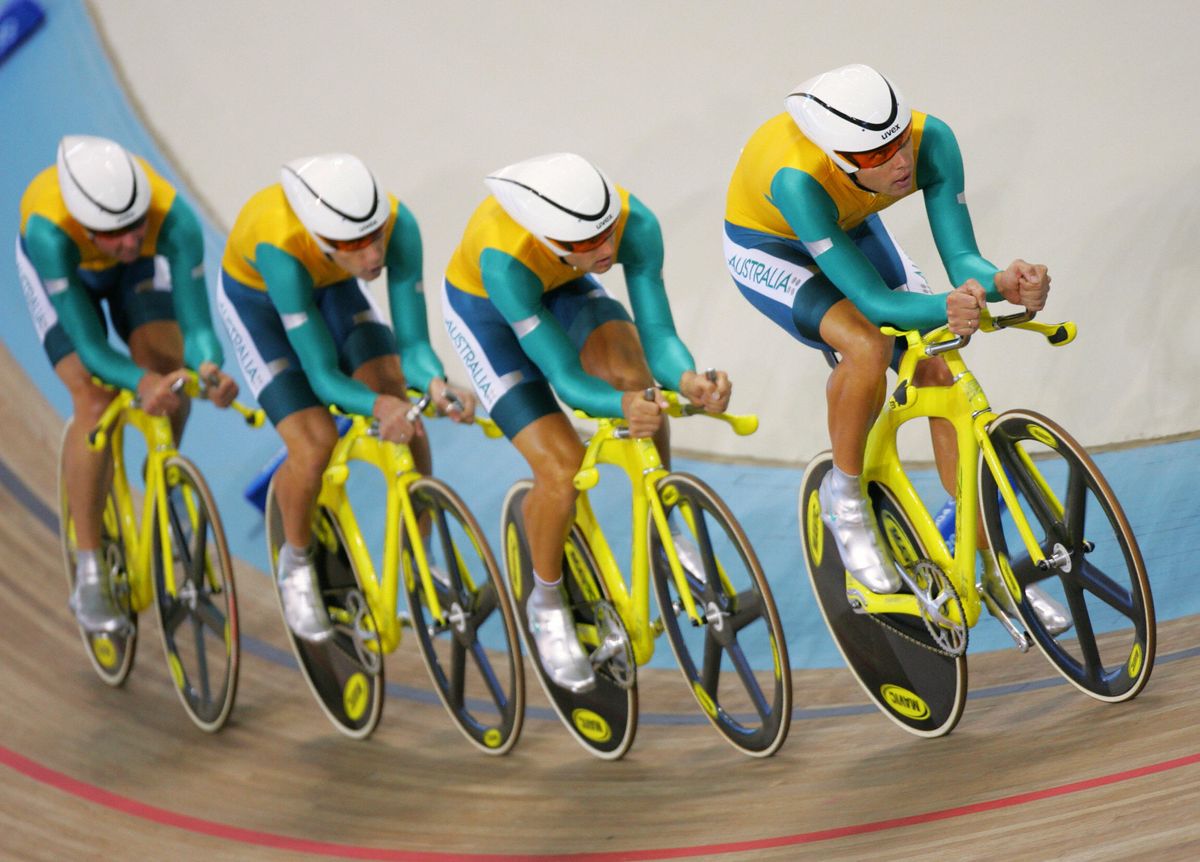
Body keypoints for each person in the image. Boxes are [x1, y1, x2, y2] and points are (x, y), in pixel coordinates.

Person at [724, 64, 1069, 634]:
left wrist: (1001, 280)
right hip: (772, 246)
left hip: (845, 224)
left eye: (898, 139)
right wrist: (948, 308)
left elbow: (964, 262)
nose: (899, 162)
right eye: (873, 157)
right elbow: (875, 303)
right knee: (865, 346)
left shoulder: (933, 140)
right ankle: (846, 498)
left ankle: (994, 569)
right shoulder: (798, 179)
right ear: (837, 157)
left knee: (935, 368)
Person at [442, 152, 731, 693]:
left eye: (606, 235)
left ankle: (663, 516)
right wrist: (619, 408)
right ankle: (545, 600)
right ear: (551, 239)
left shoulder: (632, 223)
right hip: (487, 314)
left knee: (635, 377)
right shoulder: (506, 259)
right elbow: (565, 379)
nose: (604, 251)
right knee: (560, 467)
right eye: (585, 244)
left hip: (563, 287)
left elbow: (658, 331)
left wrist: (687, 378)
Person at [217, 153, 475, 643]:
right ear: (321, 240)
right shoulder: (283, 247)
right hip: (262, 306)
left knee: (404, 401)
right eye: (355, 246)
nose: (373, 256)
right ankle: (295, 564)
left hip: (335, 288)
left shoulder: (398, 227)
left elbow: (415, 345)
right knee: (313, 443)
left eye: (374, 237)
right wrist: (380, 408)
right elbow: (321, 375)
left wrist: (436, 385)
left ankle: (423, 560)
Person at [16, 135, 237, 634]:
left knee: (171, 370)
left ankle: (162, 479)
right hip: (66, 276)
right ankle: (90, 569)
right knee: (95, 399)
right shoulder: (48, 231)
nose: (130, 240)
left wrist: (208, 370)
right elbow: (92, 350)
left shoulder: (173, 220)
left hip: (130, 277)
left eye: (136, 224)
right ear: (85, 222)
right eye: (113, 233)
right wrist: (138, 382)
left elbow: (199, 328)